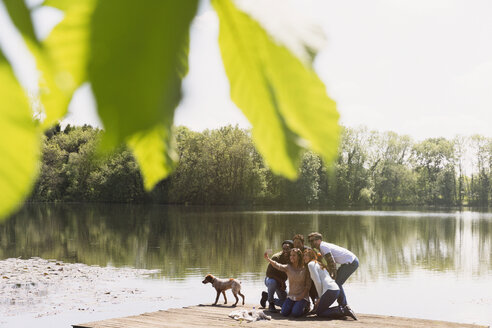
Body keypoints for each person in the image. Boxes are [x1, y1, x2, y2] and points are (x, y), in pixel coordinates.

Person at [308, 232, 359, 311]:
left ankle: (344, 305)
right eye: (309, 241)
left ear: (319, 240)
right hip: (348, 262)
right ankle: (343, 305)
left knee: (337, 283)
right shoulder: (322, 247)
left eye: (312, 240)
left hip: (351, 262)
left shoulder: (323, 247)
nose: (310, 242)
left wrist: (333, 275)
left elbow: (332, 263)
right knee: (336, 282)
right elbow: (329, 264)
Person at [303, 248, 357, 320]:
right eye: (304, 255)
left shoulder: (310, 264)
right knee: (321, 310)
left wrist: (320, 298)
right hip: (335, 289)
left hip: (329, 291)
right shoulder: (318, 263)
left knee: (320, 313)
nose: (304, 257)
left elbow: (317, 282)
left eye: (307, 255)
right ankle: (342, 309)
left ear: (311, 256)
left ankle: (342, 310)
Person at [263, 248, 311, 317]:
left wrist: (301, 296)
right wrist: (268, 259)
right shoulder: (288, 267)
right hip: (291, 296)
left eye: (294, 255)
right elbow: (278, 265)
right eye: (291, 255)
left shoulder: (305, 269)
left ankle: (304, 306)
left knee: (295, 313)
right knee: (284, 313)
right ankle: (293, 306)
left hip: (302, 297)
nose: (291, 257)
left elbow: (308, 285)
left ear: (299, 257)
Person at [260, 240, 293, 312]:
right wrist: (281, 281)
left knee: (286, 303)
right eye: (284, 249)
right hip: (270, 279)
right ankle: (271, 303)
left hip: (281, 282)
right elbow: (269, 274)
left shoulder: (293, 258)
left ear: (291, 249)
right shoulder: (276, 257)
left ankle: (267, 297)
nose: (285, 251)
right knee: (272, 282)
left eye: (287, 249)